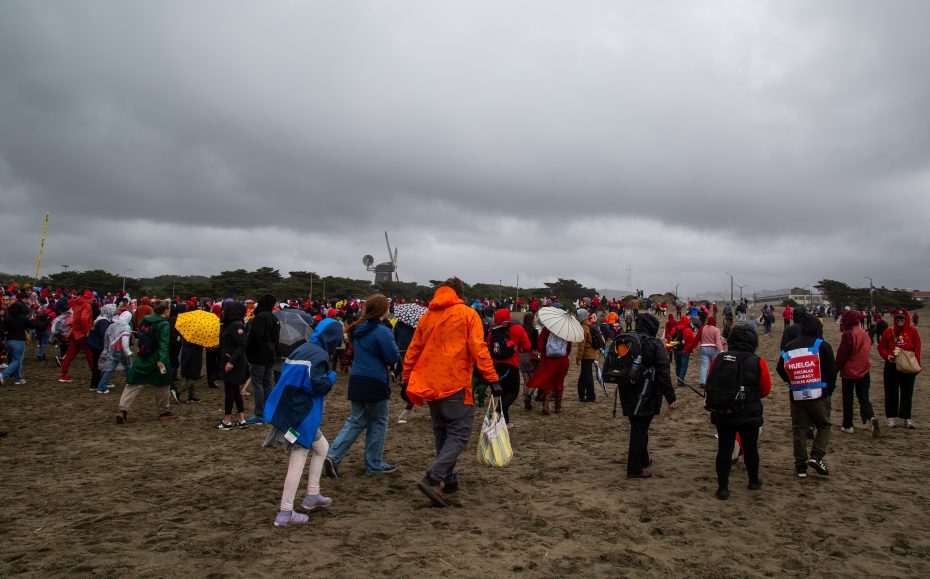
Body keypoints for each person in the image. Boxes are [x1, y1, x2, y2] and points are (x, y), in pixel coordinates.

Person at [402, 277, 500, 508]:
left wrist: (406, 380)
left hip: (429, 385)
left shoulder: (427, 316)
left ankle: (447, 479)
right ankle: (433, 477)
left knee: (442, 433)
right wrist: (492, 377)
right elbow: (478, 347)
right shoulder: (467, 314)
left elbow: (413, 349)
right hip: (454, 383)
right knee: (459, 434)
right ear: (460, 294)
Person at [263, 317, 343, 526]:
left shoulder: (303, 348)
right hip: (301, 415)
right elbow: (316, 385)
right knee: (297, 462)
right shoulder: (320, 354)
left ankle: (313, 495)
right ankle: (285, 513)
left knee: (322, 447)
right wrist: (331, 379)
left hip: (288, 409)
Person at [325, 295, 400, 476]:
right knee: (379, 421)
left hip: (357, 378)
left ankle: (333, 457)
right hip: (375, 380)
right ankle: (374, 463)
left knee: (356, 419)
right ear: (383, 310)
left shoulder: (357, 329)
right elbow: (392, 357)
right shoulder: (382, 331)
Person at [704, 323, 771, 500]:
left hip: (724, 411)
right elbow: (765, 390)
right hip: (748, 413)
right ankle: (753, 480)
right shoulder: (757, 362)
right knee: (750, 448)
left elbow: (710, 382)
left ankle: (723, 488)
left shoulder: (719, 359)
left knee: (724, 450)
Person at [776, 312, 837, 478]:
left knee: (799, 429)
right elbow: (832, 372)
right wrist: (829, 390)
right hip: (819, 394)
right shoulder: (823, 345)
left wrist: (791, 381)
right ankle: (817, 456)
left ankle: (800, 466)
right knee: (824, 425)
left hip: (796, 394)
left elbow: (780, 368)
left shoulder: (790, 346)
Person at [616, 313, 677, 478]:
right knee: (639, 428)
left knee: (640, 426)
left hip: (626, 389)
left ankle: (643, 458)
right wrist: (671, 398)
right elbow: (664, 372)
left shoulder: (627, 339)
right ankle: (634, 468)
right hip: (646, 392)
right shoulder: (654, 343)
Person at [115, 300, 176, 423]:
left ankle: (123, 410)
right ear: (165, 311)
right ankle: (163, 411)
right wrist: (163, 361)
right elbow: (163, 345)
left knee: (133, 383)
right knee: (162, 384)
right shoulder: (164, 324)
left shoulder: (145, 320)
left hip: (143, 356)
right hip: (157, 357)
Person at [836, 310, 879, 436]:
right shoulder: (864, 333)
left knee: (848, 398)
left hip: (849, 371)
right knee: (864, 397)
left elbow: (842, 355)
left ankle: (848, 425)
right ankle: (870, 418)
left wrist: (835, 369)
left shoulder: (849, 334)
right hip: (864, 369)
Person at [878, 309, 922, 429]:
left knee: (907, 393)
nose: (900, 320)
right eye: (898, 318)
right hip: (891, 366)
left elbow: (917, 348)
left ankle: (907, 418)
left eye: (902, 318)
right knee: (891, 392)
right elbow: (881, 347)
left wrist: (918, 364)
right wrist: (887, 356)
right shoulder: (888, 331)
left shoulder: (913, 331)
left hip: (907, 365)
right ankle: (890, 417)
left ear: (906, 318)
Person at [486, 308, 531, 424]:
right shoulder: (517, 329)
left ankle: (504, 421)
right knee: (513, 392)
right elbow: (527, 346)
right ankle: (498, 411)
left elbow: (486, 346)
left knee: (503, 392)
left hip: (495, 366)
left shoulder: (492, 331)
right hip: (511, 366)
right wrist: (517, 348)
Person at [245, 294, 281, 424]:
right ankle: (268, 412)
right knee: (267, 383)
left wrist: (248, 349)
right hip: (270, 355)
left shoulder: (260, 317)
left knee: (258, 383)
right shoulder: (274, 317)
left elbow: (255, 337)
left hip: (259, 355)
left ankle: (259, 413)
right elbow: (277, 338)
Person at [527, 321, 572, 415]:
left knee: (548, 381)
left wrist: (543, 352)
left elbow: (540, 344)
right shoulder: (567, 330)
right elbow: (569, 347)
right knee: (559, 382)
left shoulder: (547, 329)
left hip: (549, 359)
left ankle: (546, 406)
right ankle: (558, 408)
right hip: (563, 360)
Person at [217, 301, 249, 430]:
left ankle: (227, 420)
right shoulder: (231, 324)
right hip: (230, 361)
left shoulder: (236, 325)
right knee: (235, 391)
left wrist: (231, 362)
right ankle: (241, 419)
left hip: (233, 363)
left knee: (230, 391)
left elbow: (242, 345)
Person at [57, 290, 95, 383]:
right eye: (92, 299)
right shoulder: (87, 305)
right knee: (90, 355)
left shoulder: (77, 303)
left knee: (70, 354)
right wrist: (87, 331)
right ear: (89, 298)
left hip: (75, 332)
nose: (93, 301)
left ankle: (63, 375)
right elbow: (84, 318)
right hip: (82, 334)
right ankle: (97, 375)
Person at [96, 309, 133, 394]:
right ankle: (130, 385)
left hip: (112, 349)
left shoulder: (113, 325)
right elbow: (124, 339)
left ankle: (101, 387)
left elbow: (107, 336)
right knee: (128, 367)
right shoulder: (126, 327)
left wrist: (107, 348)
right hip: (121, 351)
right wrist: (127, 351)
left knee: (109, 369)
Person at [0, 300, 34, 385]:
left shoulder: (7, 318)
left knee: (14, 360)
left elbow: (3, 329)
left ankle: (18, 379)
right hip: (19, 341)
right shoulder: (23, 318)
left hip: (8, 341)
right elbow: (32, 326)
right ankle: (2, 375)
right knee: (17, 361)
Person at [87, 303, 115, 392]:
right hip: (98, 345)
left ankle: (97, 383)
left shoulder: (100, 319)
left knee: (98, 365)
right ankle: (96, 384)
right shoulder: (104, 321)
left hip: (95, 344)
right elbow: (104, 333)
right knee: (100, 366)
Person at [692, 316, 725, 388]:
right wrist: (722, 351)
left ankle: (702, 382)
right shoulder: (716, 330)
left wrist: (693, 347)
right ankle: (713, 381)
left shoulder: (702, 328)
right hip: (713, 349)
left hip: (703, 348)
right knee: (714, 365)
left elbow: (697, 337)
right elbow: (718, 342)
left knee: (704, 366)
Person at [575, 308, 600, 403]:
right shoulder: (589, 324)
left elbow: (582, 345)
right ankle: (581, 394)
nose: (577, 317)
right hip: (592, 353)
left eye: (578, 315)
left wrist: (578, 358)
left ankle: (591, 396)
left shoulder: (584, 327)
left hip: (587, 355)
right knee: (584, 375)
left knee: (587, 376)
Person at [519, 311, 540, 409]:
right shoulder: (535, 332)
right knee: (534, 380)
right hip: (530, 356)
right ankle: (528, 396)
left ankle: (527, 400)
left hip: (521, 356)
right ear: (531, 320)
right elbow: (536, 346)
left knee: (526, 380)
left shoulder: (521, 329)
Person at [670, 315, 695, 386]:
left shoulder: (674, 329)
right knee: (684, 366)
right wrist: (688, 349)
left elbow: (670, 340)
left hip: (676, 349)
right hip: (685, 351)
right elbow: (692, 341)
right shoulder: (688, 330)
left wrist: (668, 349)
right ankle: (680, 381)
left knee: (678, 365)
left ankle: (679, 379)